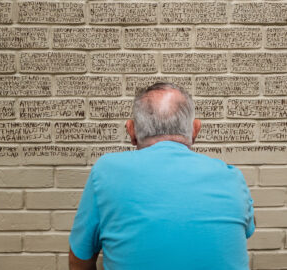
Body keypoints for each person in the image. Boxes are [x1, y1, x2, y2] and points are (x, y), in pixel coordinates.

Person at [69, 82, 255, 270]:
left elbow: (80, 259)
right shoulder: (232, 177)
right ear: (195, 130)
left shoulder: (105, 171)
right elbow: (246, 229)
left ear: (131, 130)